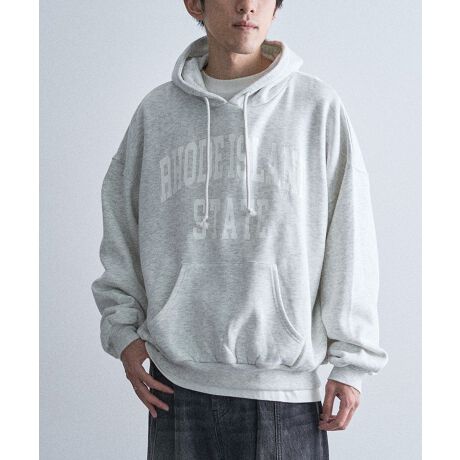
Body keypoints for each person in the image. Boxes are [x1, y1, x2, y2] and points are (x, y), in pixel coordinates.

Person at [91, 0, 389, 458]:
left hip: (285, 395)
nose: (247, 6)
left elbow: (350, 234)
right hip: (176, 387)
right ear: (195, 4)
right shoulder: (157, 112)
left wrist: (353, 363)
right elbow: (121, 223)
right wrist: (123, 331)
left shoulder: (316, 107)